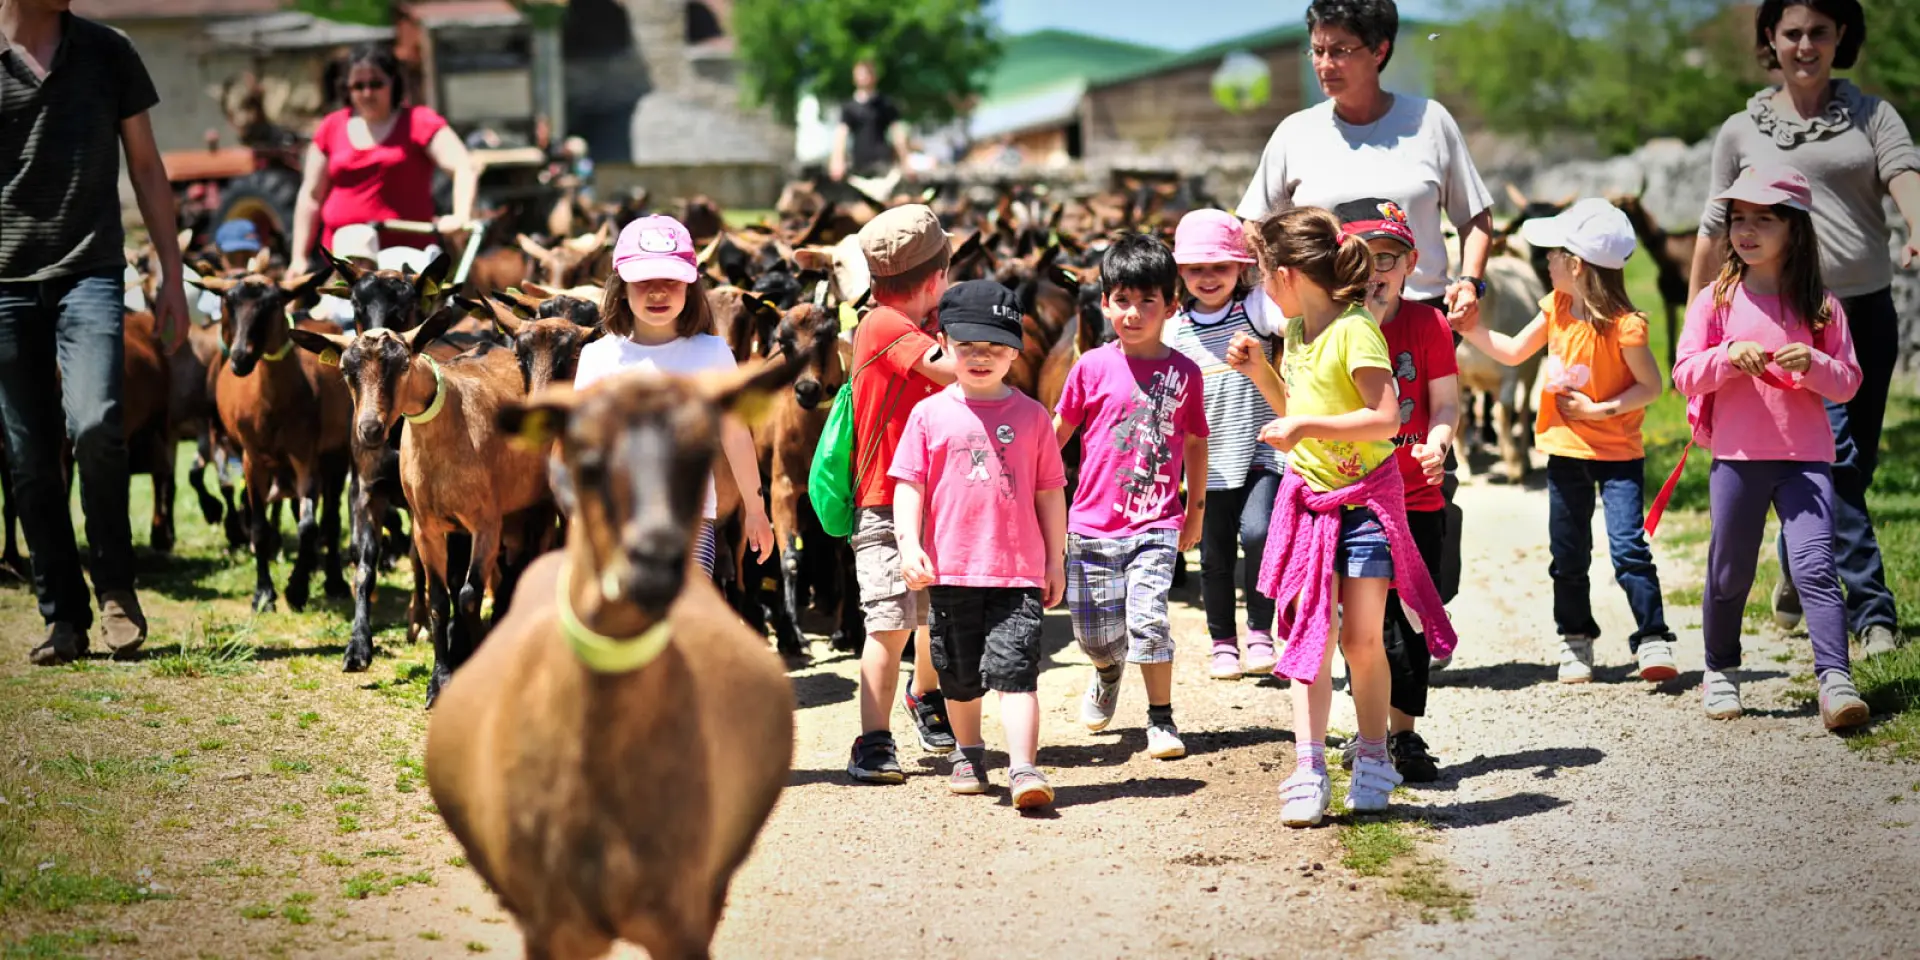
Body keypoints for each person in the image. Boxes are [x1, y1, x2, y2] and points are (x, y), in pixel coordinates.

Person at [1235, 0, 1493, 607]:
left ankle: (1419, 608)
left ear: (1380, 50)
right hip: (1326, 327)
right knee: (1334, 467)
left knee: (1420, 468)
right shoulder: (1294, 133)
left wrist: (1469, 281)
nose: (1325, 63)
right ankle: (1353, 617)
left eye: (1341, 50)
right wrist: (1272, 294)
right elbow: (1253, 225)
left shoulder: (1430, 122)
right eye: (1318, 50)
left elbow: (1476, 216)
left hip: (1417, 317)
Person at [1688, 0, 1920, 660]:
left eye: (1820, 31)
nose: (1806, 45)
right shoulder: (1741, 129)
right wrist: (1700, 320)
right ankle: (1872, 614)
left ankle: (1801, 557)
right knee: (1837, 464)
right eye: (1792, 33)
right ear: (1772, 38)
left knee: (1848, 466)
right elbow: (1714, 228)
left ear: (1841, 35)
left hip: (1861, 314)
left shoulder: (1873, 115)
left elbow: (1905, 176)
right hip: (1778, 321)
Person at [1226, 207, 1456, 827]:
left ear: (1289, 273)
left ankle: (1375, 758)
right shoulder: (1296, 331)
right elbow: (1295, 408)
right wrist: (1262, 373)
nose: (1260, 287)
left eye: (1262, 274)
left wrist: (1304, 425)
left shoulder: (1357, 330)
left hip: (1366, 504)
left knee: (1360, 639)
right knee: (1310, 637)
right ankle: (1309, 769)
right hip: (1309, 502)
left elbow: (1385, 418)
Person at [1, 0, 189, 665]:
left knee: (96, 425)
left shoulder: (110, 51)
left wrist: (172, 275)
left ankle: (115, 588)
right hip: (5, 285)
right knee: (28, 457)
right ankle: (62, 616)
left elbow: (146, 167)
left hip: (91, 273)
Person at [1673, 165, 1869, 731]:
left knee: (1815, 567)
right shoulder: (1715, 300)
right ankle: (1721, 671)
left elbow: (1848, 382)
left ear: (1794, 228)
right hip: (1736, 460)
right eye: (1738, 218)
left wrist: (1816, 363)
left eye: (1763, 219)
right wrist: (1726, 357)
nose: (1746, 230)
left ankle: (1836, 681)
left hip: (1807, 461)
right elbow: (1685, 374)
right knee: (1729, 571)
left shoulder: (1822, 306)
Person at [1457, 200, 1674, 684]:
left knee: (1628, 550)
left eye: (1553, 254)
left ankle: (1653, 637)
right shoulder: (1554, 307)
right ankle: (1575, 639)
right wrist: (1471, 329)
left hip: (1618, 455)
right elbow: (1514, 351)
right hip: (1564, 450)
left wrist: (1600, 410)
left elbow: (1650, 387)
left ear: (1576, 266)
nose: (1545, 261)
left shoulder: (1627, 325)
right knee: (1569, 553)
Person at [892, 280, 1069, 808]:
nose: (980, 357)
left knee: (1017, 673)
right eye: (967, 345)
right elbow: (909, 485)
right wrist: (908, 543)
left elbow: (1050, 492)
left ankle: (1024, 768)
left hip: (1018, 573)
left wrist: (1055, 559)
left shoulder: (1033, 416)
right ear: (943, 343)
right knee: (959, 676)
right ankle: (968, 752)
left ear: (1016, 351)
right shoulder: (928, 415)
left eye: (995, 347)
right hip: (950, 571)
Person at [1055, 234, 1209, 761]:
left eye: (1148, 301)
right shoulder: (1090, 367)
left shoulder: (1185, 374)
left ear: (1172, 305)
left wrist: (1194, 512)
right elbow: (1059, 431)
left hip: (1156, 522)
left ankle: (1161, 718)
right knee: (1094, 636)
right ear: (1104, 303)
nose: (1134, 313)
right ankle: (1106, 672)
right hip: (1090, 524)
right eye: (1122, 300)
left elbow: (1195, 442)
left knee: (1149, 621)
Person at [571, 215, 774, 577]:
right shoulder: (597, 357)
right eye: (643, 282)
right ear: (621, 288)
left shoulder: (713, 353)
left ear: (690, 287)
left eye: (671, 281)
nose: (658, 292)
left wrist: (756, 511)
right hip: (617, 520)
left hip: (690, 520)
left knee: (687, 606)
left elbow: (736, 436)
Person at [1334, 196, 1458, 782]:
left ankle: (1403, 736)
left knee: (1408, 627)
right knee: (1362, 628)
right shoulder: (1330, 327)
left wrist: (1439, 443)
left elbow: (1446, 402)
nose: (1375, 270)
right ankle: (1369, 735)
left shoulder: (1429, 324)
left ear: (1410, 264)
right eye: (1361, 256)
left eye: (1388, 257)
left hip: (1416, 499)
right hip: (1352, 501)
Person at [845, 205, 958, 784]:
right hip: (885, 501)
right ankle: (872, 740)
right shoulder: (883, 325)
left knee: (935, 615)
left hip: (939, 496)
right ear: (937, 276)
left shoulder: (922, 322)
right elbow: (953, 372)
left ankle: (923, 694)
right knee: (889, 622)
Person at [1165, 209, 1283, 680]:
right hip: (1208, 462)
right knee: (1213, 557)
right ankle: (1222, 644)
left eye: (1220, 266)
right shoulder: (1174, 329)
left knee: (1259, 535)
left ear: (1240, 267)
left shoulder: (1256, 308)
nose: (1208, 277)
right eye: (1196, 268)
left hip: (1262, 449)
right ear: (1181, 272)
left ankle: (1260, 632)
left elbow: (1292, 313)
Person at [289, 43, 475, 277]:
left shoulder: (419, 122)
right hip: (342, 262)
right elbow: (311, 196)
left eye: (376, 83)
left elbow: (463, 167)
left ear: (393, 82)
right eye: (358, 86)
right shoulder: (331, 127)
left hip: (405, 264)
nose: (367, 93)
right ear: (347, 88)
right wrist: (298, 258)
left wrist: (460, 217)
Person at [828, 60, 908, 184]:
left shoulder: (886, 104)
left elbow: (897, 133)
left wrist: (905, 161)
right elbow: (841, 135)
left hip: (882, 163)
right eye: (860, 74)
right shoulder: (849, 107)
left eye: (866, 74)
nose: (863, 78)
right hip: (858, 164)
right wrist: (837, 161)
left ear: (874, 77)